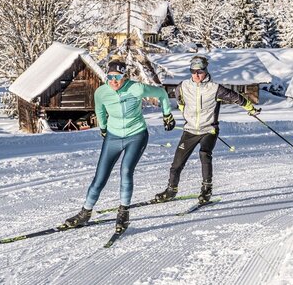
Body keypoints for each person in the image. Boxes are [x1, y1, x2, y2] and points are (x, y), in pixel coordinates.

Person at [63, 59, 174, 230]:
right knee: (100, 177)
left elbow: (162, 94)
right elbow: (99, 110)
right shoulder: (101, 92)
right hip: (113, 136)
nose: (114, 81)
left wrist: (167, 115)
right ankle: (85, 213)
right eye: (110, 77)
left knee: (126, 171)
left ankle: (123, 213)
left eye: (118, 77)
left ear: (125, 76)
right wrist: (103, 128)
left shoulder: (137, 88)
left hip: (136, 135)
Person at [153, 55, 260, 205]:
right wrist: (184, 112)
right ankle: (171, 190)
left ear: (205, 71)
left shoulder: (215, 89)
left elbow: (236, 97)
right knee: (177, 163)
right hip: (190, 130)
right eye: (193, 71)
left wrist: (251, 109)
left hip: (209, 129)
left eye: (200, 72)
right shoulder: (183, 86)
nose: (196, 75)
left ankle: (206, 190)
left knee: (204, 154)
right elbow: (179, 99)